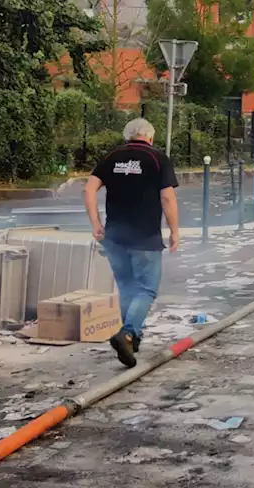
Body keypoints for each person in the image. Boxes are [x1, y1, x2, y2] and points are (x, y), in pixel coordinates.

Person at [84, 118, 179, 368]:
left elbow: (89, 189)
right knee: (146, 289)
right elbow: (167, 198)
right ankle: (127, 334)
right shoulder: (157, 158)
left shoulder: (111, 157)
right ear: (150, 137)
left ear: (128, 136)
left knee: (127, 287)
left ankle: (131, 339)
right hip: (145, 238)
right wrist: (174, 232)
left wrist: (96, 223)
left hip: (115, 237)